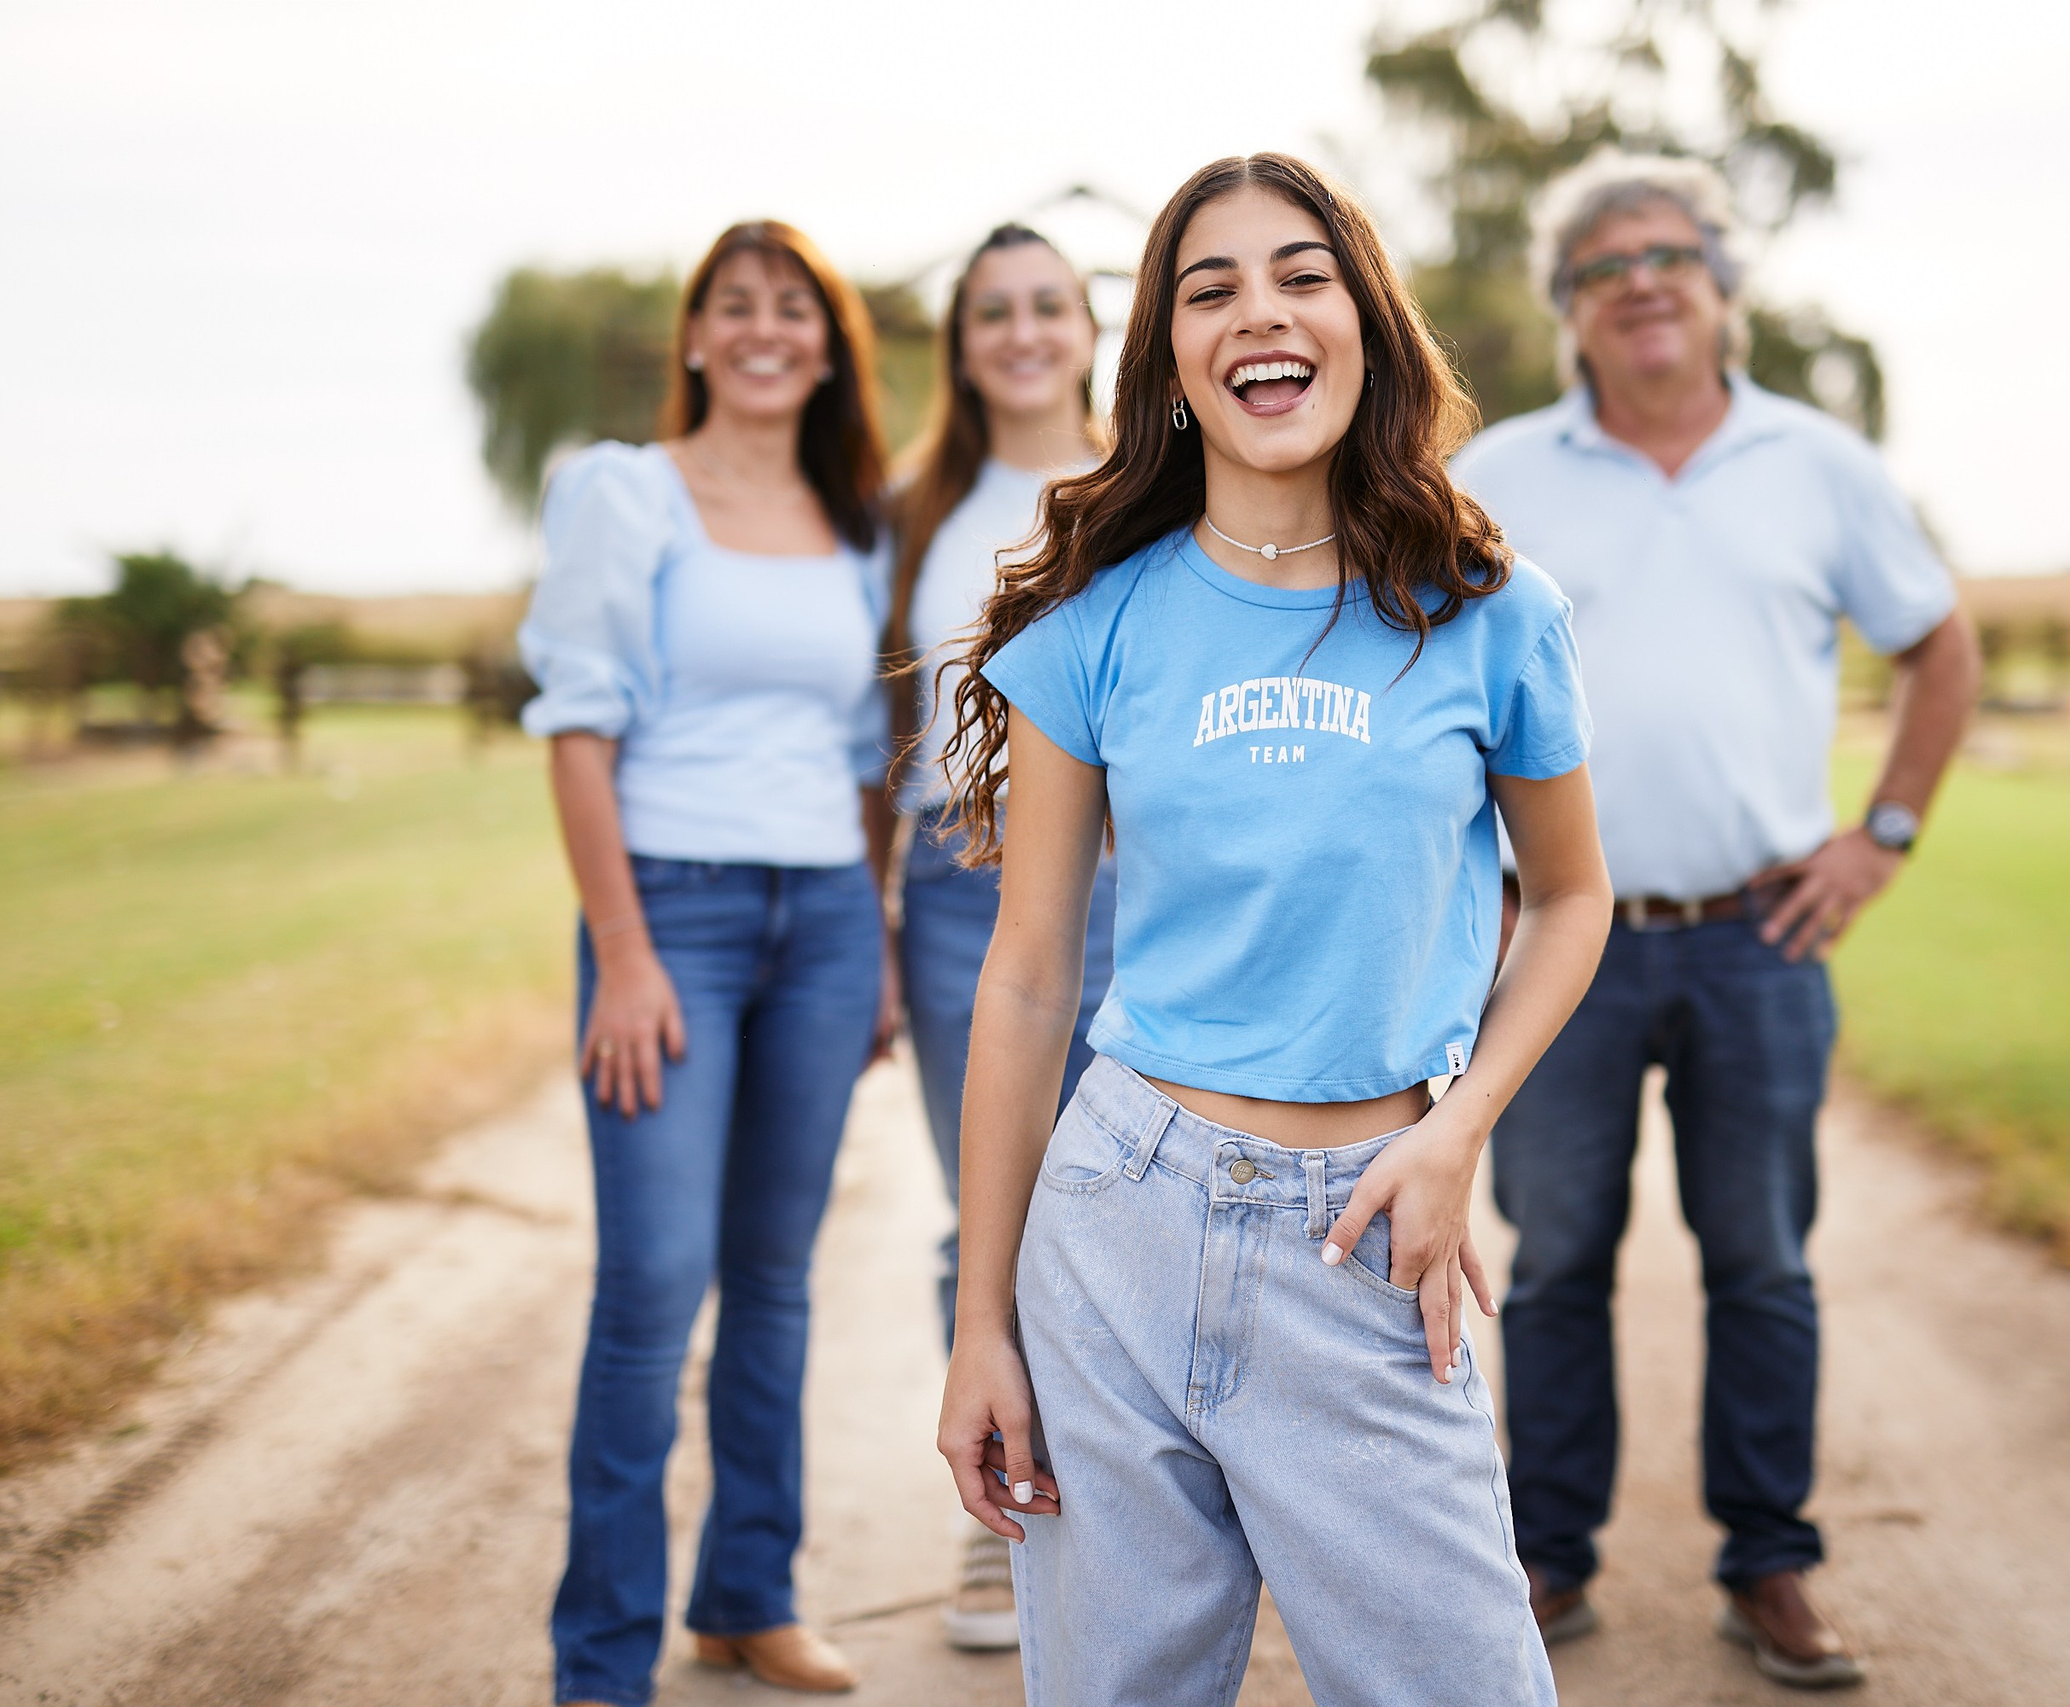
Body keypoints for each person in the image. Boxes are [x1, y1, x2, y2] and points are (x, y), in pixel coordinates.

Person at [933, 152, 1617, 1707]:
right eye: (1211, 289)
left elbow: (1574, 897)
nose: (1262, 313)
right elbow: (1029, 980)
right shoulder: (1096, 624)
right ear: (1169, 359)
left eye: (1303, 276)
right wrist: (982, 1325)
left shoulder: (1488, 606)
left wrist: (1456, 1132)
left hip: (1367, 1227)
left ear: (1365, 323)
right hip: (1118, 1223)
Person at [1453, 153, 1982, 1689]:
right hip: (1562, 948)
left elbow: (1940, 646)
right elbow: (1425, 677)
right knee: (1556, 1259)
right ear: (1567, 308)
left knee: (1761, 1262)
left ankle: (1771, 1563)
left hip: (1761, 938)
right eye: (1604, 266)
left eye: (1670, 255)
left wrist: (1882, 835)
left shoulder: (1819, 465)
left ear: (1724, 285)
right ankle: (1547, 1555)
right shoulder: (1503, 478)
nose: (1641, 284)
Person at [517, 219, 898, 1706]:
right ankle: (600, 1663)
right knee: (654, 1283)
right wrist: (623, 953)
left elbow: (865, 755)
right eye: (734, 306)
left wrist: (872, 937)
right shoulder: (627, 492)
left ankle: (748, 1595)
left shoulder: (855, 518)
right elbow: (578, 727)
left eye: (794, 310)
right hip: (671, 912)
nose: (763, 331)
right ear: (693, 337)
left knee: (775, 1278)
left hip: (824, 921)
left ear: (830, 348)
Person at [882, 221, 1117, 1652]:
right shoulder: (911, 511)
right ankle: (1002, 1517)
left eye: (1047, 306)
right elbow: (872, 730)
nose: (1023, 333)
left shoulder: (1146, 483)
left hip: (1128, 876)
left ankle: (1127, 1506)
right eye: (992, 313)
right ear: (961, 346)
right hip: (954, 878)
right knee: (988, 1201)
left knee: (1128, 1192)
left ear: (1088, 330)